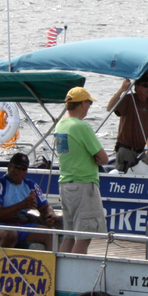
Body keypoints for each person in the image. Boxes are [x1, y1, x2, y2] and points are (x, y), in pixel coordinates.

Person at [54, 87, 110, 254]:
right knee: (84, 236)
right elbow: (104, 158)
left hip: (66, 185)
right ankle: (77, 269)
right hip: (84, 185)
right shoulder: (81, 127)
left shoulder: (60, 125)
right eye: (89, 103)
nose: (89, 107)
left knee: (69, 236)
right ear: (83, 104)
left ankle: (62, 268)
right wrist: (95, 158)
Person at [0, 152, 58, 249]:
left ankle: (50, 260)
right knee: (10, 235)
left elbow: (45, 207)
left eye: (24, 169)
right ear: (9, 167)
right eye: (17, 168)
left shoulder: (30, 185)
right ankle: (1, 259)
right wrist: (21, 205)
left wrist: (50, 215)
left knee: (51, 234)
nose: (20, 172)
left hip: (22, 225)